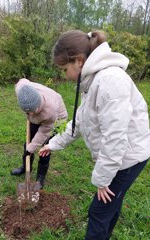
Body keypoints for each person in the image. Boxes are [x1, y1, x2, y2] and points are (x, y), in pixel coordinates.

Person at [39, 30, 150, 239]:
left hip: (128, 158)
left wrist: (102, 180)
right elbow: (80, 121)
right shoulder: (92, 81)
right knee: (110, 205)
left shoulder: (109, 82)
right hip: (122, 155)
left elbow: (115, 138)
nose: (64, 75)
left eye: (64, 69)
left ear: (79, 60)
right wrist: (52, 144)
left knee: (99, 211)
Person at [11, 78, 68, 189]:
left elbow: (44, 132)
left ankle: (40, 178)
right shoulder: (22, 90)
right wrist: (29, 149)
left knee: (44, 149)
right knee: (28, 145)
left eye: (33, 111)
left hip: (56, 121)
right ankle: (26, 167)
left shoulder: (50, 111)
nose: (30, 114)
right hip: (40, 117)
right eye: (27, 112)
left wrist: (31, 148)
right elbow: (22, 81)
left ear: (38, 105)